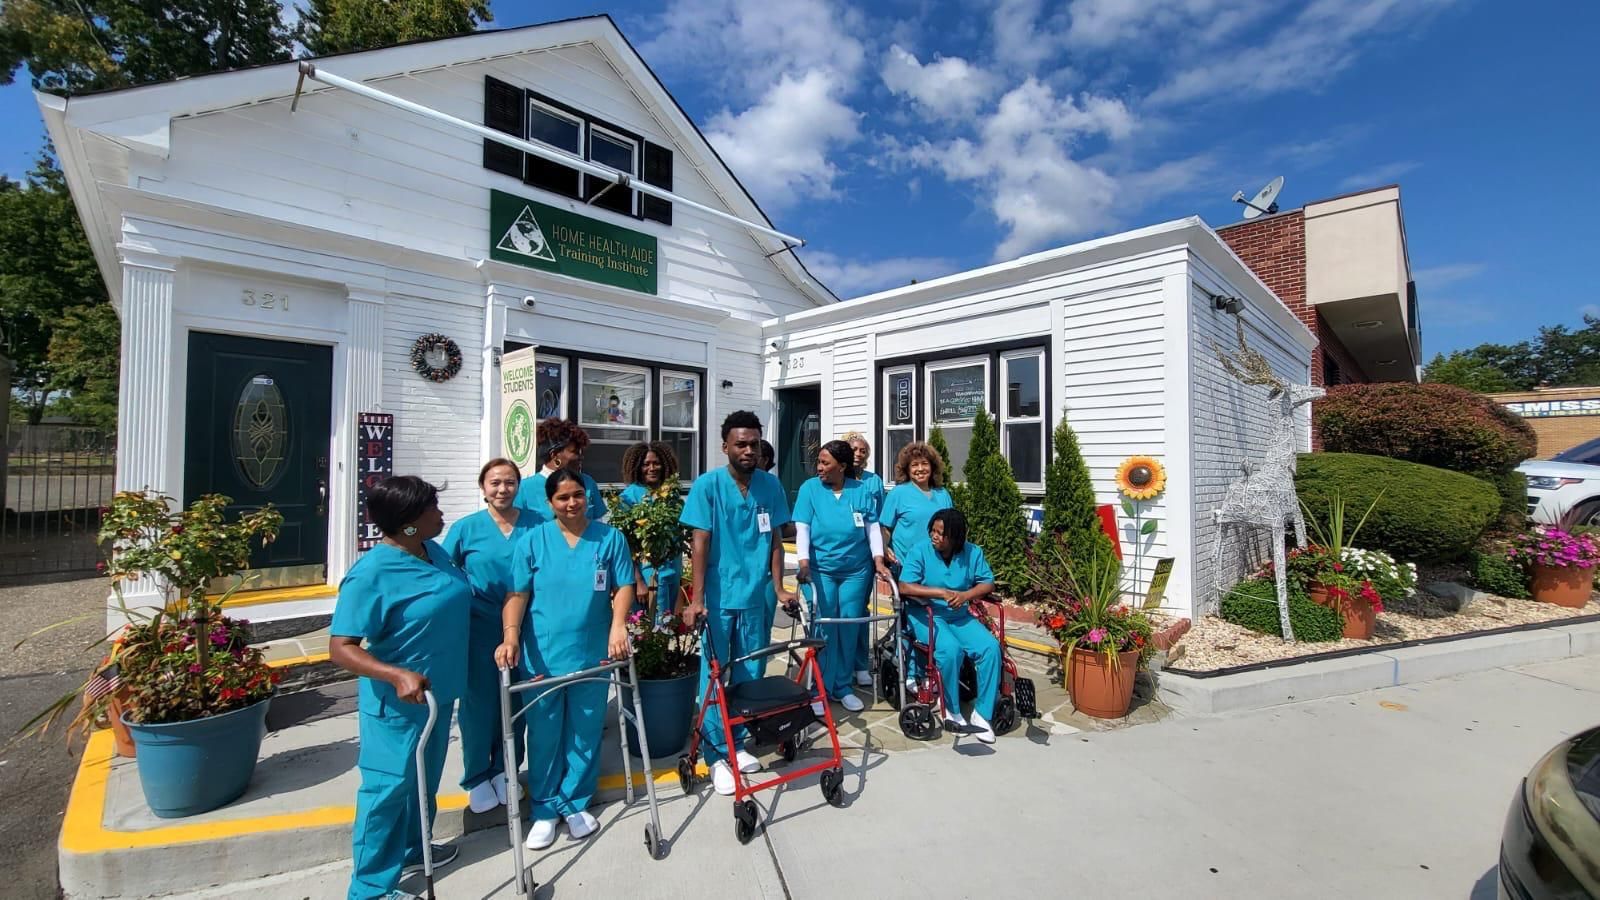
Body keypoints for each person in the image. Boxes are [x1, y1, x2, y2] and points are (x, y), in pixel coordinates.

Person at [330, 476, 471, 900]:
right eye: (432, 506)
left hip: (437, 695)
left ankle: (413, 848)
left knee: (422, 780)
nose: (441, 512)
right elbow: (341, 648)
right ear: (410, 522)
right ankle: (370, 888)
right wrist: (395, 674)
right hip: (397, 703)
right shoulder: (372, 573)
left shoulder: (432, 551)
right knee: (387, 790)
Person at [496, 469, 635, 850]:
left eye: (578, 495)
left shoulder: (610, 539)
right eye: (563, 498)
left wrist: (618, 625)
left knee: (585, 729)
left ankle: (574, 802)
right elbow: (517, 594)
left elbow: (624, 585)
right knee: (544, 732)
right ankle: (543, 809)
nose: (572, 503)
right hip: (542, 650)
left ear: (588, 496)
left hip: (592, 651)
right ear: (549, 503)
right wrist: (510, 638)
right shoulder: (533, 541)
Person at [680, 410, 795, 796]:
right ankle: (715, 755)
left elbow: (776, 542)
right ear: (725, 445)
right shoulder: (707, 486)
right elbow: (700, 543)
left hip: (755, 597)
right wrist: (696, 599)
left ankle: (740, 741)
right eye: (741, 443)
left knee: (750, 673)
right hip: (717, 596)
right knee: (713, 674)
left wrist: (779, 589)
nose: (749, 450)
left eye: (754, 443)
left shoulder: (771, 486)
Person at [442, 459, 542, 815]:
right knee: (479, 703)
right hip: (479, 625)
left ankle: (506, 769)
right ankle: (477, 776)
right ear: (482, 487)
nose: (503, 489)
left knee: (517, 702)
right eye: (495, 483)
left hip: (527, 623)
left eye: (510, 482)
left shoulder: (536, 523)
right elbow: (443, 572)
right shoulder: (465, 529)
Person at [793, 439, 891, 714]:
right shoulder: (809, 489)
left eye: (825, 463)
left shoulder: (860, 491)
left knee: (848, 625)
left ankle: (843, 686)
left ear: (843, 466)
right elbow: (802, 529)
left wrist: (878, 560)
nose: (819, 467)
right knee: (824, 625)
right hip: (820, 569)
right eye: (819, 462)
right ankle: (819, 689)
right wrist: (803, 563)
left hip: (856, 570)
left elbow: (872, 528)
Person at [896, 508, 1000, 745]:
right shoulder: (920, 551)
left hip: (959, 615)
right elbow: (904, 586)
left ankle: (982, 714)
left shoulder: (972, 552)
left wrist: (966, 595)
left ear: (955, 537)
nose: (935, 536)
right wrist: (940, 593)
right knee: (950, 650)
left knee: (990, 648)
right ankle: (951, 710)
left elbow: (987, 583)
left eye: (941, 533)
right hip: (926, 614)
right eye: (933, 530)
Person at [618, 441, 683, 623]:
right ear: (638, 467)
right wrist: (637, 580)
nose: (652, 468)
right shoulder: (629, 497)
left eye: (656, 463)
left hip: (671, 572)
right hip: (646, 576)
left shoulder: (671, 496)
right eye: (646, 464)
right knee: (648, 630)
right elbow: (625, 544)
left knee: (667, 626)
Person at [841, 431, 887, 685]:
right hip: (839, 555)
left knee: (860, 610)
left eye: (863, 450)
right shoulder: (835, 480)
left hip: (864, 555)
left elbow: (878, 520)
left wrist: (881, 550)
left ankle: (860, 663)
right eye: (854, 449)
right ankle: (840, 664)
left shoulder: (873, 481)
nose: (859, 454)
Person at [879, 441, 954, 570]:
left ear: (932, 467)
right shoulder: (898, 493)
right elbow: (885, 528)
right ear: (907, 470)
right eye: (914, 465)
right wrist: (884, 547)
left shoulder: (943, 494)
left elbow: (952, 528)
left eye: (924, 464)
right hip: (906, 564)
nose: (920, 469)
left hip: (939, 563)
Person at [515, 418, 606, 521]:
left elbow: (599, 526)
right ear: (554, 455)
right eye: (575, 452)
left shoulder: (588, 482)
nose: (581, 457)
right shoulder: (524, 488)